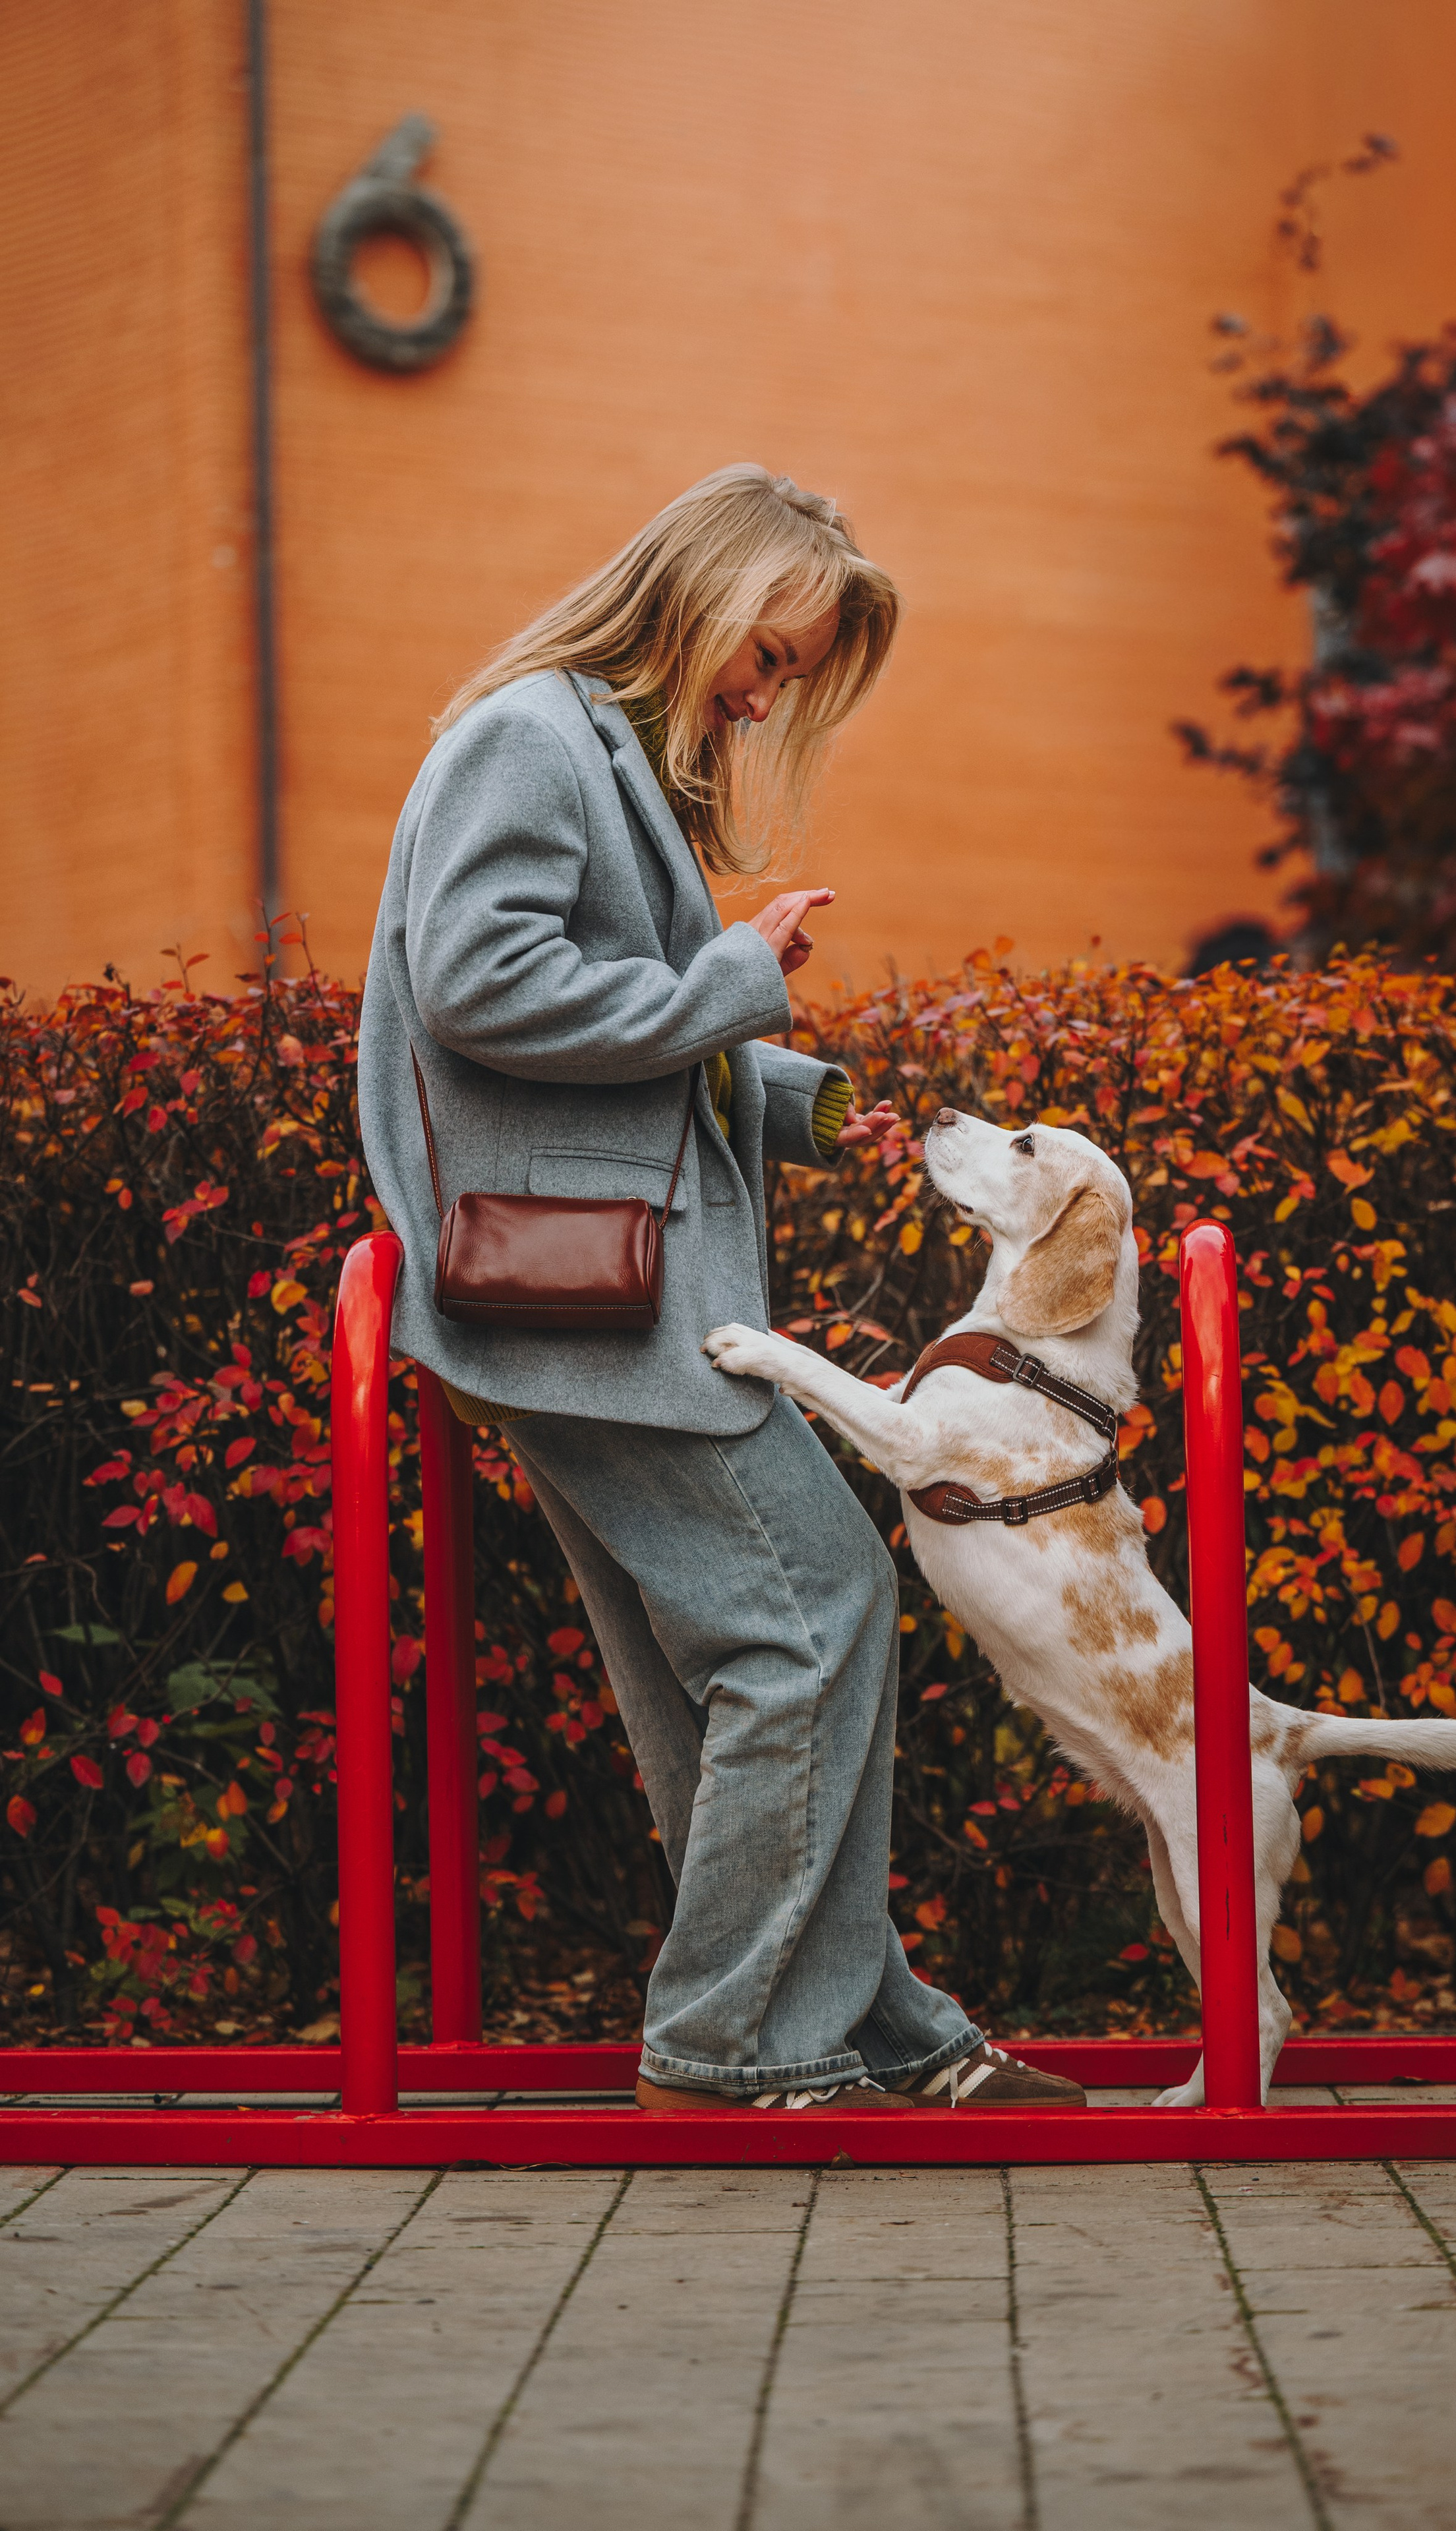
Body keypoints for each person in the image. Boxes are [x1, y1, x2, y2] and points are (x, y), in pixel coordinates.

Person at [358, 463, 1082, 2114]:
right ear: (696, 596)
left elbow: (591, 1046)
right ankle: (728, 2046)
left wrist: (792, 1095)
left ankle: (867, 2026)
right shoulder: (532, 736)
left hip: (587, 1290)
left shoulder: (593, 754)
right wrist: (733, 972)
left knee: (741, 1674)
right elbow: (478, 989)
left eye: (791, 675)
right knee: (821, 1614)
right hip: (592, 1302)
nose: (764, 696)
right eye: (768, 653)